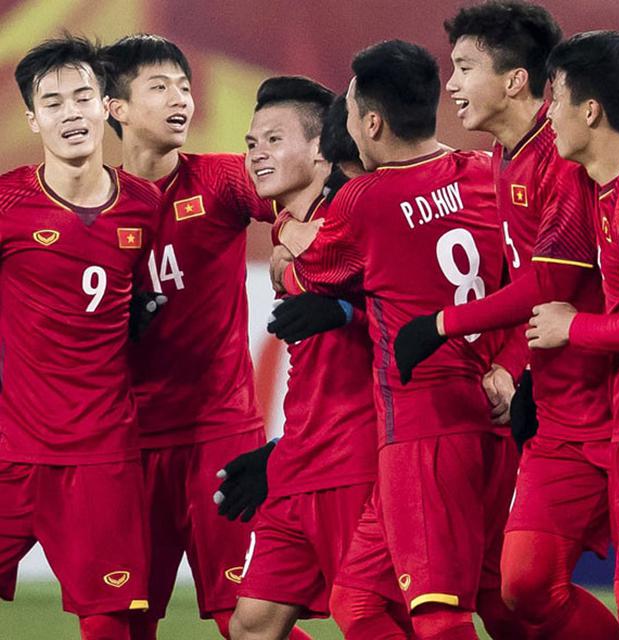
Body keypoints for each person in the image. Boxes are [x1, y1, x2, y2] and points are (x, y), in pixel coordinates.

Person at [279, 39, 525, 640]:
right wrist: (510, 367)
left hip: (423, 433)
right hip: (494, 417)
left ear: (371, 124)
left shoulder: (366, 200)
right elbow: (530, 282)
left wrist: (284, 235)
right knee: (360, 601)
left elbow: (307, 273)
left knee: (438, 615)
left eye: (349, 112)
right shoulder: (485, 172)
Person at [393, 5, 617, 637]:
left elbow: (549, 284)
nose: (452, 84)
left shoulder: (565, 156)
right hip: (560, 412)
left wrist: (441, 324)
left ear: (516, 80)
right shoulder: (502, 155)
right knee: (523, 585)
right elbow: (521, 278)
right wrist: (517, 369)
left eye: (465, 68)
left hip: (612, 398)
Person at [101, 34, 280, 640]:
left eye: (184, 86)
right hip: (125, 447)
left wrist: (295, 243)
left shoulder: (220, 180)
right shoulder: (91, 209)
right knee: (117, 625)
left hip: (220, 436)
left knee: (244, 621)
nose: (181, 98)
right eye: (160, 87)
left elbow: (297, 201)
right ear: (116, 108)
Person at [0, 35, 162, 640]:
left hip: (101, 458)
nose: (70, 113)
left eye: (82, 97)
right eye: (53, 102)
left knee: (109, 625)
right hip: (11, 452)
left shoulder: (143, 204)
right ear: (32, 119)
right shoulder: (7, 203)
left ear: (106, 107)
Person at [229, 75, 378, 640]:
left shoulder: (354, 217)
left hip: (355, 454)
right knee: (252, 626)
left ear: (321, 148)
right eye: (251, 143)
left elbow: (406, 312)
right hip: (299, 456)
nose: (256, 154)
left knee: (369, 619)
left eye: (273, 140)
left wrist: (344, 311)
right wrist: (279, 451)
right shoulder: (287, 227)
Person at [525, 30, 619, 640]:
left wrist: (573, 327)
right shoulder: (603, 189)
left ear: (590, 110)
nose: (548, 114)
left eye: (557, 98)